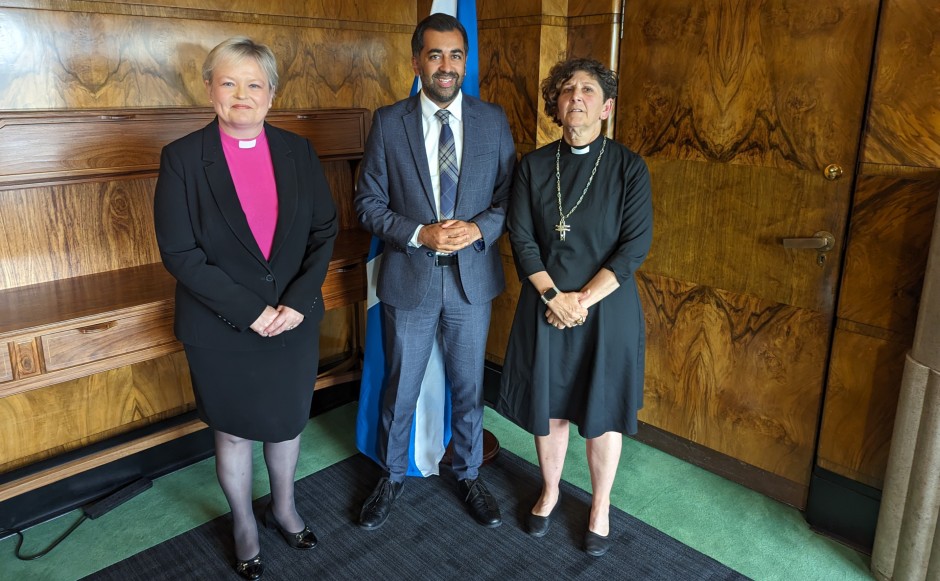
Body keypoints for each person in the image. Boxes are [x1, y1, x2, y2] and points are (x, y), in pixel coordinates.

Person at [153, 37, 337, 580]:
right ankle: (244, 524)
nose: (241, 94)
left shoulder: (298, 152)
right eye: (228, 82)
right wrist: (251, 312)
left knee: (285, 426)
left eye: (254, 84)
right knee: (232, 432)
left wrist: (297, 302)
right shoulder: (183, 158)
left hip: (294, 320)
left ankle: (283, 508)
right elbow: (179, 253)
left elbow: (324, 231)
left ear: (271, 95)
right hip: (221, 326)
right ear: (209, 89)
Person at [354, 13, 515, 530]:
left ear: (465, 61)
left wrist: (478, 229)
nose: (446, 66)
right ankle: (391, 476)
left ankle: (468, 473)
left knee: (469, 387)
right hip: (411, 276)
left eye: (456, 55)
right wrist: (421, 233)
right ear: (417, 60)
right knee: (400, 386)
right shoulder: (388, 121)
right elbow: (367, 202)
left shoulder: (492, 120)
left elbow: (511, 196)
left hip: (472, 281)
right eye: (435, 55)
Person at [496, 57, 653, 557]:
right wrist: (553, 297)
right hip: (546, 305)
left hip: (605, 309)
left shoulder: (630, 167)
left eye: (588, 90)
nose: (576, 97)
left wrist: (579, 301)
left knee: (601, 412)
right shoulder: (535, 165)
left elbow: (634, 246)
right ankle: (550, 489)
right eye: (567, 90)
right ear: (557, 106)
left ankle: (600, 504)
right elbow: (521, 240)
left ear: (605, 108)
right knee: (553, 407)